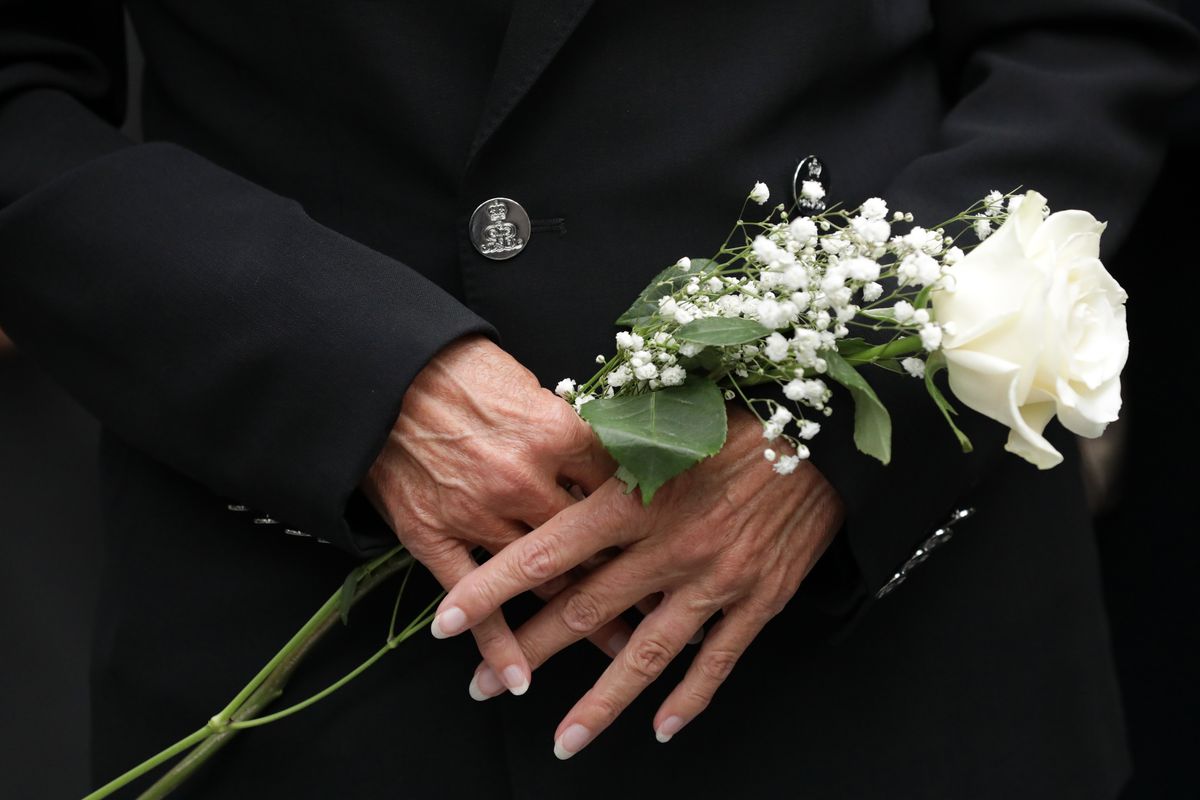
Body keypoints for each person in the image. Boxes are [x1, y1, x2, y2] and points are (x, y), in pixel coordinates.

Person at [0, 2, 1195, 798]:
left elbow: (1087, 37)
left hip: (886, 669)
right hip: (320, 659)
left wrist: (821, 422)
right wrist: (361, 379)